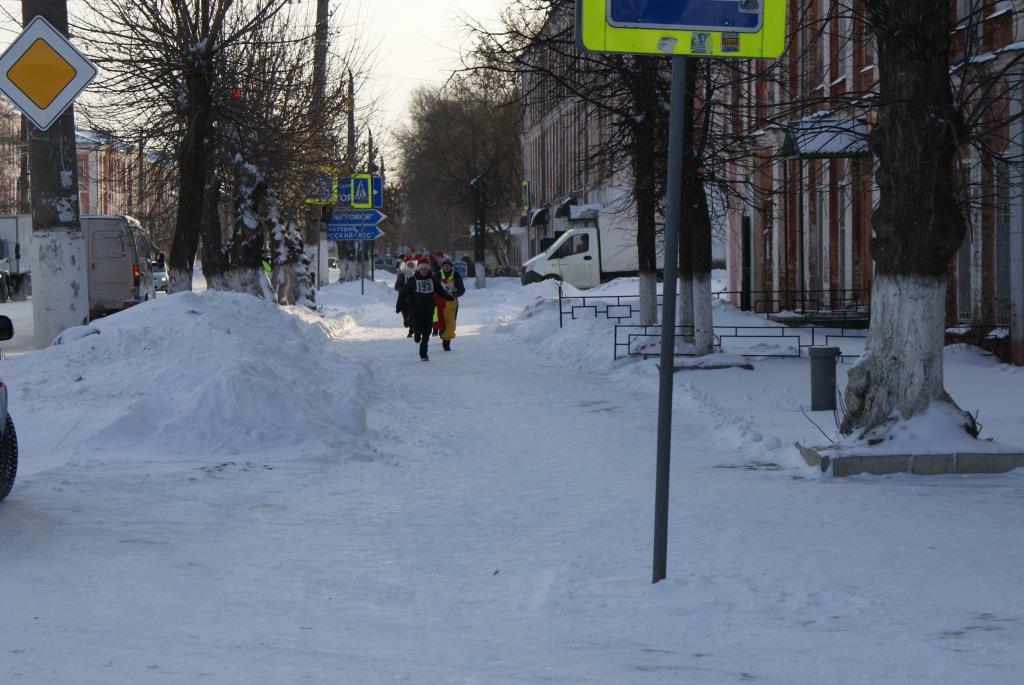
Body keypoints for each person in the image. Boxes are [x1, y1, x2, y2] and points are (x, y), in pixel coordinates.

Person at [397, 259, 453, 361]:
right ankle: (417, 332)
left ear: (428, 270)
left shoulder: (433, 280)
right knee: (418, 327)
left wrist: (447, 296)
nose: (424, 270)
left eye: (426, 269)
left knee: (427, 332)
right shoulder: (413, 280)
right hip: (416, 310)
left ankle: (423, 354)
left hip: (429, 309)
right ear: (418, 269)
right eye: (422, 269)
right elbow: (403, 293)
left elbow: (440, 290)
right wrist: (399, 305)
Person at [435, 256, 465, 351]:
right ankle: (439, 331)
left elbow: (462, 289)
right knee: (440, 321)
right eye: (445, 266)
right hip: (439, 301)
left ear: (451, 266)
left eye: (448, 266)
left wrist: (457, 293)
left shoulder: (456, 275)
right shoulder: (437, 275)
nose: (446, 267)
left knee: (450, 323)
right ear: (442, 267)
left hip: (452, 302)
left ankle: (446, 342)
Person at [394, 259, 416, 337]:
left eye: (412, 265)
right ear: (406, 266)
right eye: (409, 265)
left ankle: (411, 330)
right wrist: (404, 290)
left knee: (412, 314)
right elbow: (396, 287)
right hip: (403, 299)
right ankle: (407, 322)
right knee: (406, 315)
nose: (410, 267)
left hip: (413, 299)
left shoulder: (416, 275)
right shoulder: (402, 276)